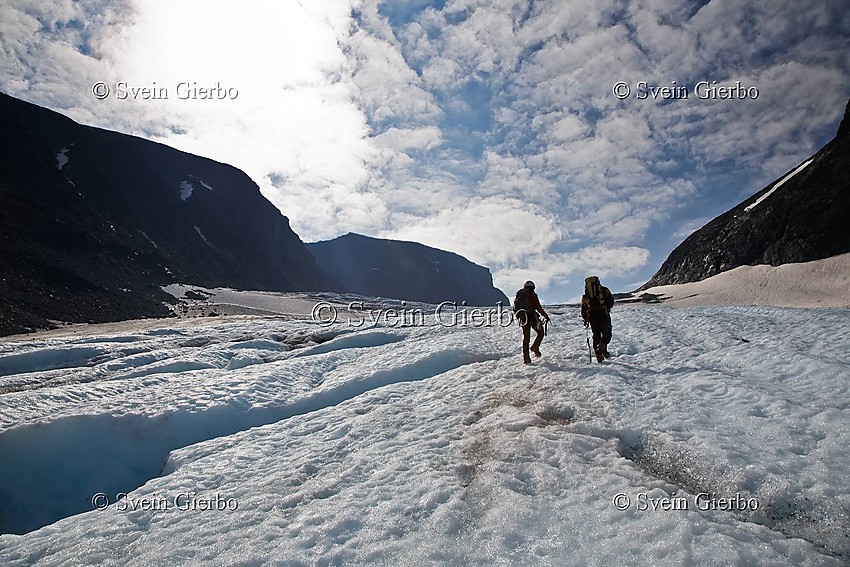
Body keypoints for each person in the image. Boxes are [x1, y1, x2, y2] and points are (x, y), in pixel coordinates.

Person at [514, 280, 550, 364]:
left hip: (523, 317)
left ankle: (526, 359)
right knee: (540, 332)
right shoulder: (532, 294)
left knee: (526, 338)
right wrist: (545, 316)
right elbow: (538, 307)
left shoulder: (519, 294)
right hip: (531, 316)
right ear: (533, 287)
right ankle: (535, 347)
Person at [581, 275, 614, 362]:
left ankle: (599, 355)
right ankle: (602, 346)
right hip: (603, 313)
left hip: (592, 315)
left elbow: (583, 309)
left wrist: (585, 319)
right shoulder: (604, 290)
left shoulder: (585, 296)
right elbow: (611, 301)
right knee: (607, 333)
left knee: (596, 335)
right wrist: (607, 307)